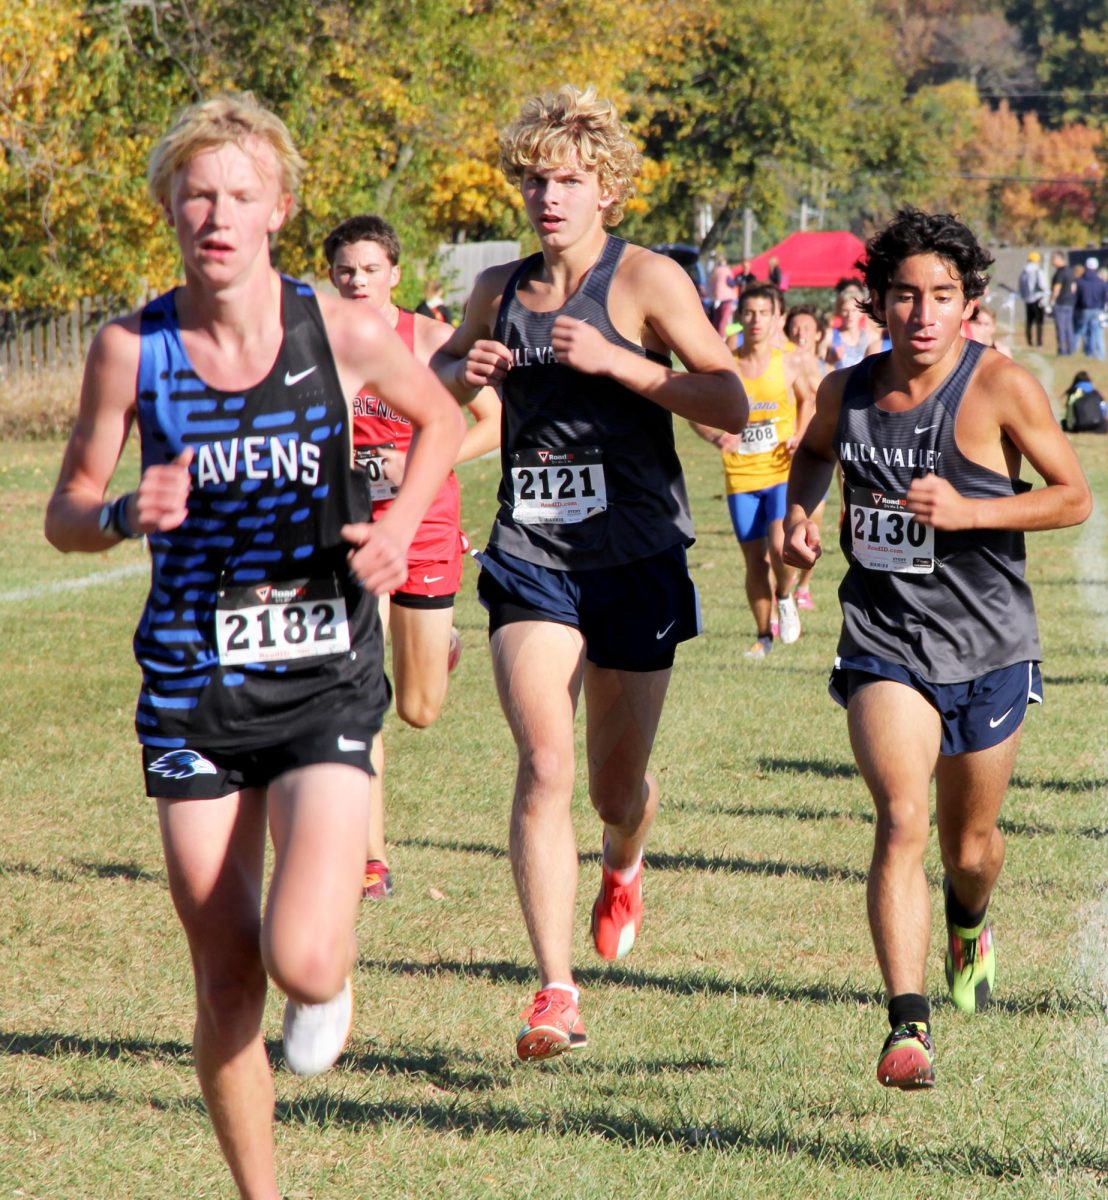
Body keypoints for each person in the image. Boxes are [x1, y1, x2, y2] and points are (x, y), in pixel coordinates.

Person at [43, 95, 464, 1199]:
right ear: (169, 213)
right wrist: (131, 510)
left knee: (302, 959)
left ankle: (329, 970)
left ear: (278, 208)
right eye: (195, 195)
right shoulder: (132, 350)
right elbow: (68, 509)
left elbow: (445, 423)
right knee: (226, 979)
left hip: (322, 675)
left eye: (238, 194)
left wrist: (400, 530)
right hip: (189, 686)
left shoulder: (344, 329)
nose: (215, 215)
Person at [431, 84, 746, 1061]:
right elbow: (436, 376)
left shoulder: (645, 279)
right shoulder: (496, 287)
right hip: (531, 557)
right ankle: (553, 991)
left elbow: (728, 399)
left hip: (636, 559)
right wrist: (461, 374)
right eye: (533, 179)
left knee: (614, 787)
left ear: (606, 189)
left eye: (566, 179)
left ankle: (624, 856)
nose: (547, 197)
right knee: (544, 763)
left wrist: (624, 366)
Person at [783, 208, 1091, 1091]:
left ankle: (970, 918)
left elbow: (1072, 498)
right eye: (906, 296)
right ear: (877, 302)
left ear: (967, 305)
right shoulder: (846, 390)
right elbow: (809, 455)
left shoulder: (1001, 388)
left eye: (942, 296)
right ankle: (907, 1026)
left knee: (970, 846)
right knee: (901, 819)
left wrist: (974, 511)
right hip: (884, 638)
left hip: (990, 644)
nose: (923, 313)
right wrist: (802, 516)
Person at [323, 214, 501, 899]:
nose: (358, 280)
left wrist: (419, 460)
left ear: (395, 274)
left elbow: (492, 424)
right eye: (345, 271)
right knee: (357, 692)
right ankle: (371, 859)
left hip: (424, 525)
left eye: (370, 269)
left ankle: (442, 641)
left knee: (419, 708)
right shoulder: (313, 345)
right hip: (348, 530)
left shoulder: (429, 343)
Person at [692, 283, 814, 658]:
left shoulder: (790, 361)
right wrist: (716, 437)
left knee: (780, 545)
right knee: (754, 561)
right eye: (749, 313)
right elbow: (694, 404)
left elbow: (811, 399)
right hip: (740, 476)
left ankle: (786, 594)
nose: (756, 320)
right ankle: (763, 636)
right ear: (739, 318)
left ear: (777, 317)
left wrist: (799, 432)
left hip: (780, 472)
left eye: (764, 313)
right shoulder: (724, 362)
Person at [784, 304, 829, 610]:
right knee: (784, 525)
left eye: (807, 329)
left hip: (817, 449)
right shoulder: (782, 364)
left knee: (814, 520)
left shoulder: (827, 370)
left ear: (819, 334)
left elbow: (819, 403)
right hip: (783, 451)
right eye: (795, 328)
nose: (801, 334)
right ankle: (784, 591)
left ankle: (804, 586)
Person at [822, 284, 868, 368]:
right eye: (845, 310)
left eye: (854, 310)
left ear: (862, 312)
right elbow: (818, 368)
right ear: (839, 312)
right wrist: (831, 361)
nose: (850, 315)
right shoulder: (830, 336)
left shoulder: (869, 337)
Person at [1074, 256, 1107, 361]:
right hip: (1098, 310)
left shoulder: (1080, 281)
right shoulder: (1101, 282)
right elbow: (1105, 297)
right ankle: (1099, 356)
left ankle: (1074, 353)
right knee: (1096, 333)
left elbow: (1076, 296)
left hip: (1083, 309)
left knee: (1080, 331)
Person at [1049, 250, 1077, 356]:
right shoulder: (1070, 271)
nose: (1052, 262)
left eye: (1053, 259)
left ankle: (1062, 350)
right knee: (1069, 327)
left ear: (1058, 259)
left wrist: (1051, 301)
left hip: (1060, 303)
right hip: (1069, 303)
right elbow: (1074, 288)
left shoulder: (1060, 273)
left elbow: (1057, 289)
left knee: (1060, 327)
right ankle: (1071, 349)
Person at [1017, 250, 1048, 347]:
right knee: (1039, 321)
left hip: (1027, 299)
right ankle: (1039, 341)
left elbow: (1021, 285)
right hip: (1038, 298)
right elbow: (1043, 285)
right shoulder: (1038, 270)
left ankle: (1029, 341)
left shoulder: (1024, 271)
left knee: (1029, 321)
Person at [708, 252, 739, 337]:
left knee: (717, 320)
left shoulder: (715, 271)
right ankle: (722, 338)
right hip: (726, 298)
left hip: (716, 298)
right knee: (724, 320)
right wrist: (737, 282)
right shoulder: (726, 270)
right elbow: (730, 283)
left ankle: (714, 336)